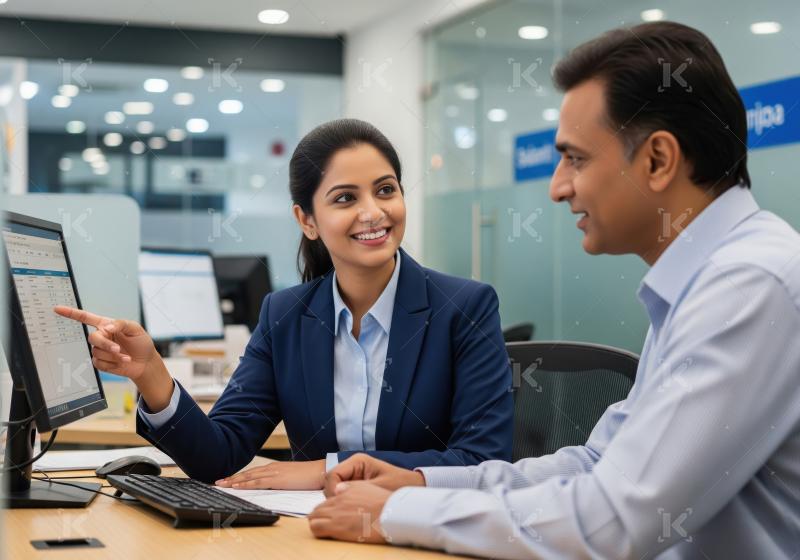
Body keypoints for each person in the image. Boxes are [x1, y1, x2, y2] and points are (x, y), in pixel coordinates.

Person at [307, 22, 800, 558]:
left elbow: (616, 519)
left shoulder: (750, 286)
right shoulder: (707, 282)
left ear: (658, 160)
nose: (558, 187)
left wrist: (394, 513)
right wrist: (422, 483)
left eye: (576, 159)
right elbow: (595, 465)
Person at [56, 118, 514, 489]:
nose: (374, 212)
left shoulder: (464, 308)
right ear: (307, 220)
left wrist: (328, 468)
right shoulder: (286, 315)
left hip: (424, 533)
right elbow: (218, 454)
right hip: (316, 536)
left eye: (385, 190)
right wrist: (151, 373)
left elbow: (482, 460)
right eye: (346, 198)